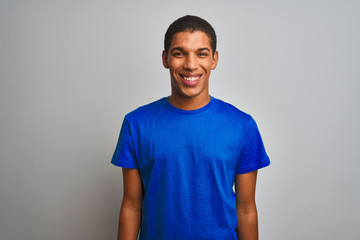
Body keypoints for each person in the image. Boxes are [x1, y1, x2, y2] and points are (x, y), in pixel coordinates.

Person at [111, 15, 270, 240]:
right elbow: (131, 204)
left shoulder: (242, 125)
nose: (191, 64)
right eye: (179, 53)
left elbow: (246, 208)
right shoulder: (136, 124)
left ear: (214, 60)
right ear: (165, 59)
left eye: (201, 53)